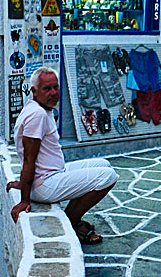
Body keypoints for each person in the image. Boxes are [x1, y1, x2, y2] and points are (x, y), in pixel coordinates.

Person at [7, 67, 118, 244]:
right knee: (108, 177)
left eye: (55, 87)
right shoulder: (37, 115)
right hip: (45, 184)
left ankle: (73, 219)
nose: (53, 93)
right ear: (34, 91)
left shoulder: (38, 109)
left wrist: (22, 183)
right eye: (46, 89)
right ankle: (73, 222)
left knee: (104, 164)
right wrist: (25, 199)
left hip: (54, 173)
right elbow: (29, 158)